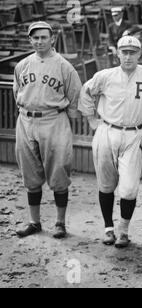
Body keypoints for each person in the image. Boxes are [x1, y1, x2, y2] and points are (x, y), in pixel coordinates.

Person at [78, 36, 142, 248]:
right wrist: (91, 120)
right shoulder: (105, 76)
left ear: (139, 54)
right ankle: (108, 228)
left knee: (128, 189)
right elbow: (85, 93)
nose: (128, 56)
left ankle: (123, 230)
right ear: (117, 53)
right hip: (107, 131)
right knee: (106, 185)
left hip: (134, 135)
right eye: (124, 52)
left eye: (132, 52)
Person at [13, 21, 82, 239]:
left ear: (52, 39)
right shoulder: (22, 65)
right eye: (35, 37)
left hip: (54, 120)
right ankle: (34, 222)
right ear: (30, 40)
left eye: (44, 37)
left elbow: (75, 98)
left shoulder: (64, 66)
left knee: (59, 173)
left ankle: (60, 223)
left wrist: (65, 124)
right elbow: (18, 93)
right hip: (25, 121)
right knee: (30, 174)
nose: (40, 41)